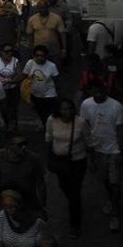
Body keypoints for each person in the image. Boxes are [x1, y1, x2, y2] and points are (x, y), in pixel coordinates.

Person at [80, 78, 123, 232]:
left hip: (114, 150)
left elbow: (119, 130)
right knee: (105, 180)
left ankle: (115, 215)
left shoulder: (116, 106)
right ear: (90, 91)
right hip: (97, 150)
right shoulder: (86, 105)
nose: (98, 93)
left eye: (101, 89)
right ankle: (112, 199)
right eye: (94, 90)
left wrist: (120, 150)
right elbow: (86, 127)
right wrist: (90, 153)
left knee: (115, 182)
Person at [45, 98, 88, 238]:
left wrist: (93, 160)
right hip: (60, 163)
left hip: (77, 161)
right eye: (64, 109)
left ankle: (75, 225)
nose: (67, 112)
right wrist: (49, 157)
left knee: (75, 193)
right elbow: (49, 137)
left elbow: (89, 140)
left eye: (69, 109)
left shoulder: (80, 122)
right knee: (64, 187)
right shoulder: (52, 120)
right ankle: (73, 204)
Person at [0, 132, 46, 215]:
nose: (24, 147)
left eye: (25, 144)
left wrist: (43, 206)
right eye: (20, 145)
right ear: (9, 145)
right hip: (8, 202)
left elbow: (40, 184)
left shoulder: (34, 159)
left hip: (29, 202)